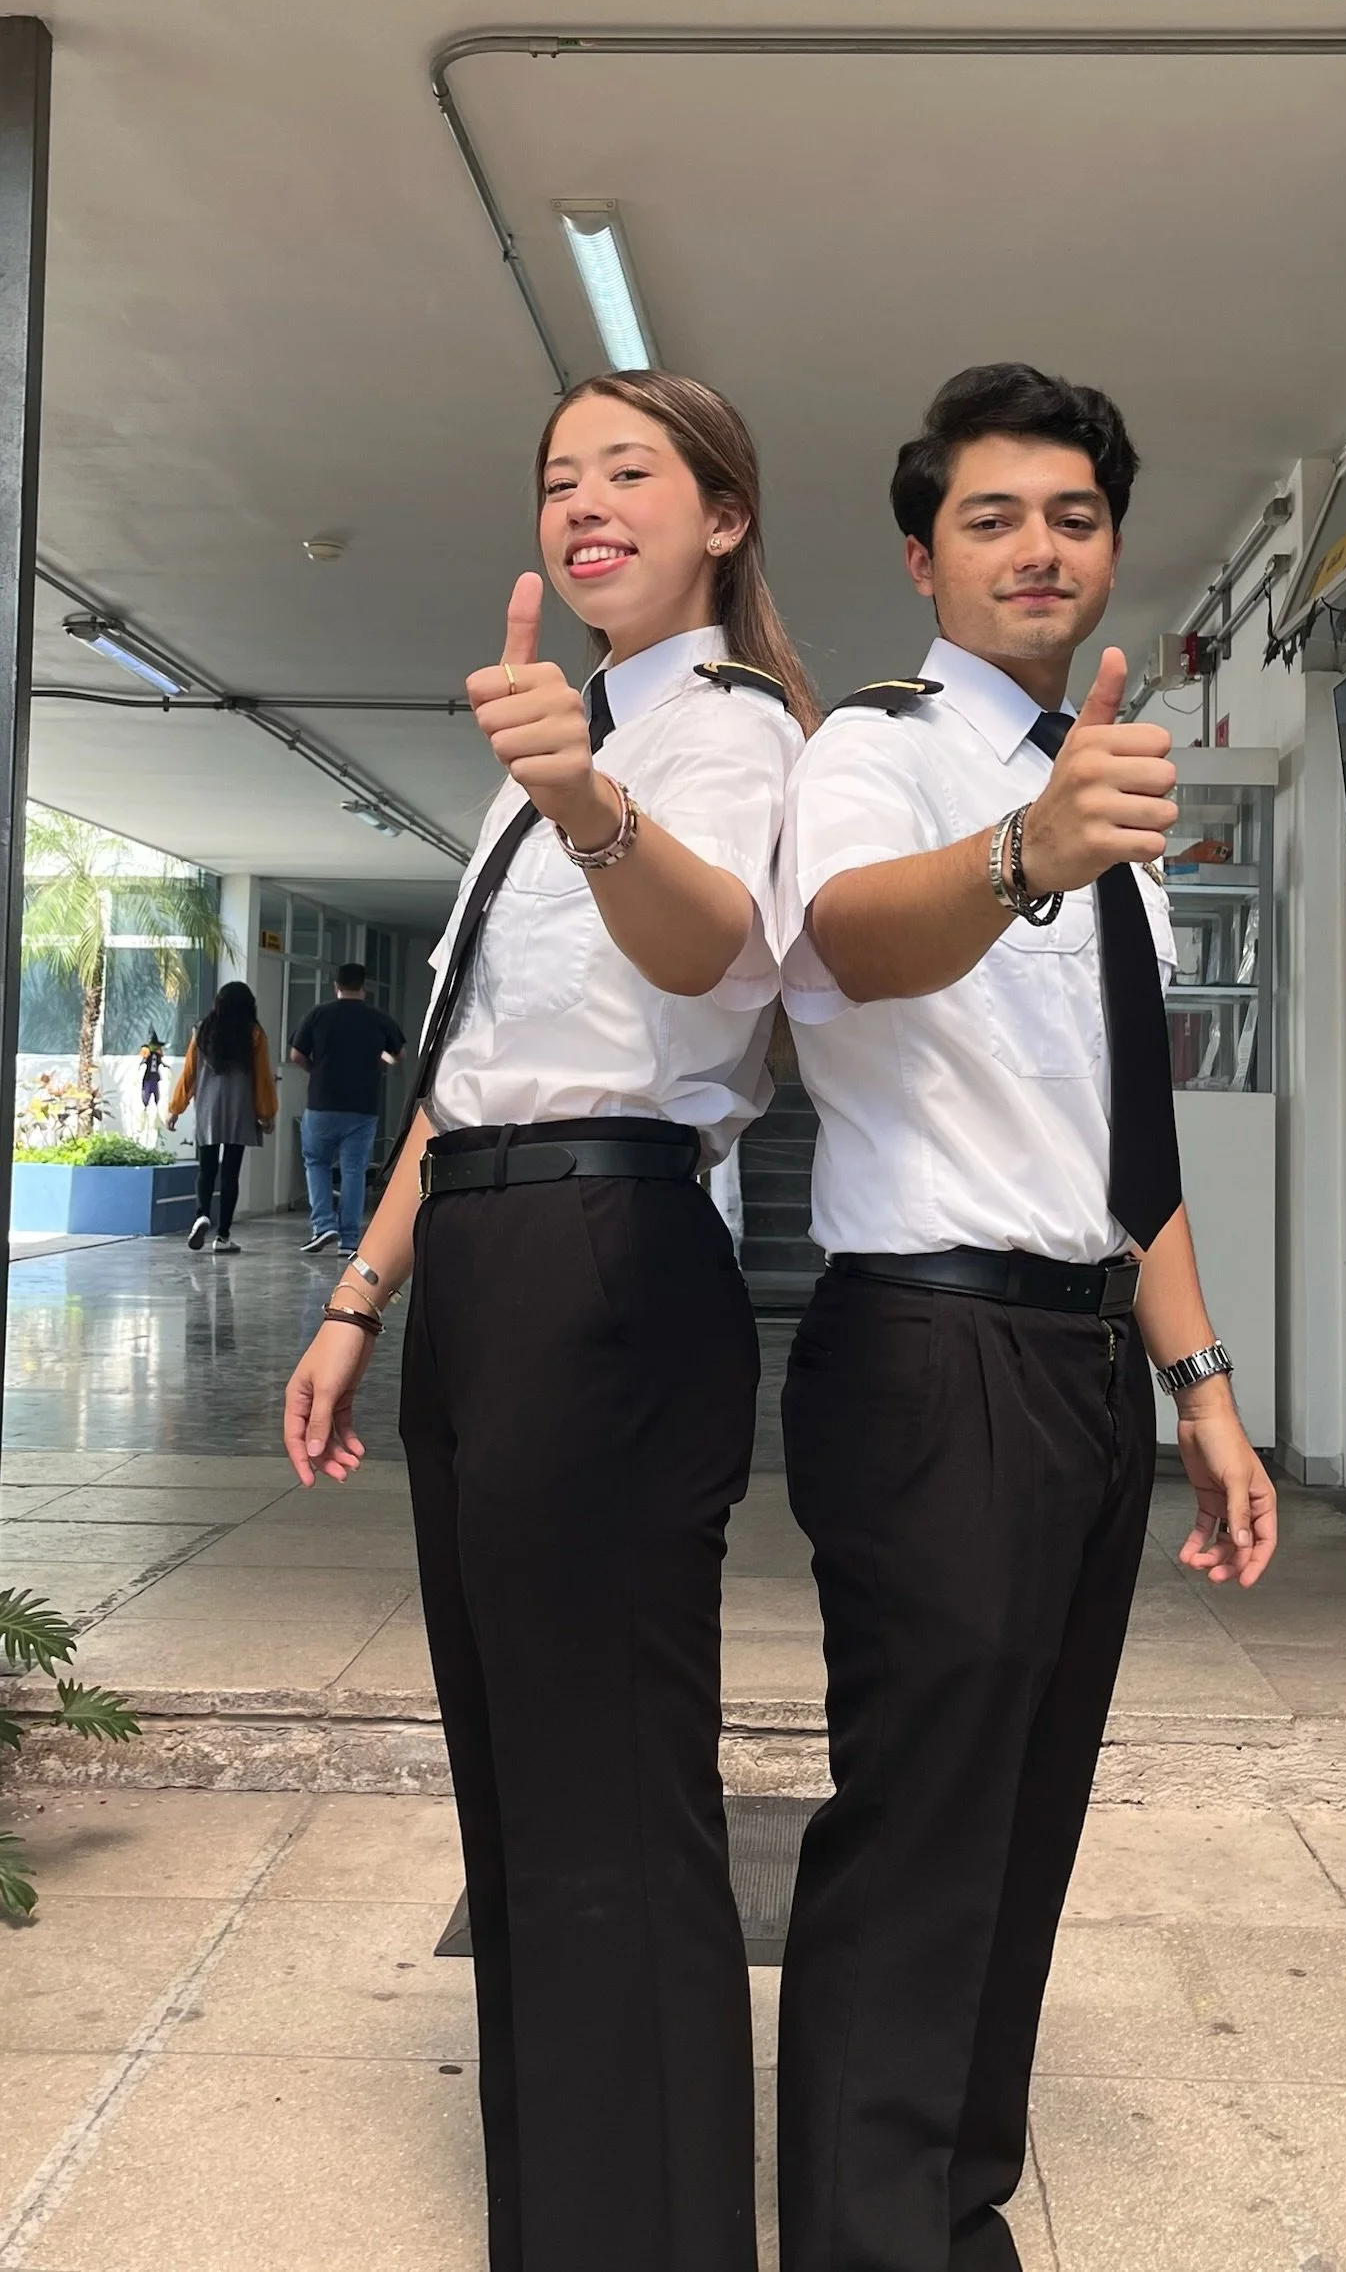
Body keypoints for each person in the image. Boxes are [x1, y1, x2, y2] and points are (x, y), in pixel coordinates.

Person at [282, 371, 817, 2272]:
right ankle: (570, 2224)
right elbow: (462, 1077)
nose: (583, 504)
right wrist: (360, 1295)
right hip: (494, 1265)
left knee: (609, 1784)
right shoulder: (567, 744)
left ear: (723, 517)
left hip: (608, 1256)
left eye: (630, 473)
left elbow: (712, 958)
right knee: (516, 1783)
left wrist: (585, 796)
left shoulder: (732, 733)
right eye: (556, 480)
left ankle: (650, 2233)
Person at [774, 362, 1278, 2272]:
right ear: (925, 557)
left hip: (1079, 1362)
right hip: (929, 1353)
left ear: (1111, 549)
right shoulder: (882, 757)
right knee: (920, 1834)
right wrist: (1024, 854)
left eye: (1070, 515)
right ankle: (865, 2240)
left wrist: (1205, 1394)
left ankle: (952, 2212)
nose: (1036, 546)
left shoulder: (1096, 791)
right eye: (991, 517)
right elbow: (846, 939)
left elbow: (1115, 1146)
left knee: (1023, 1824)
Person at [288, 962, 405, 1259]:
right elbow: (398, 1054)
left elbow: (296, 1055)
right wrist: (379, 1064)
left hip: (322, 1102)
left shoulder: (318, 1014)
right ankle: (349, 1240)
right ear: (364, 987)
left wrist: (316, 1070)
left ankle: (324, 1224)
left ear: (336, 985)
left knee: (316, 1162)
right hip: (363, 1106)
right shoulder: (378, 1018)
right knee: (354, 1169)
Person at [167, 979, 277, 1253]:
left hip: (208, 1109)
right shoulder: (254, 1034)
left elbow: (189, 1073)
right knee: (230, 1173)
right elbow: (262, 1076)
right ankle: (223, 1236)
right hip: (239, 1109)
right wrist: (266, 1112)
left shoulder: (203, 1030)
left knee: (206, 1168)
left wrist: (175, 1109)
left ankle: (202, 1213)